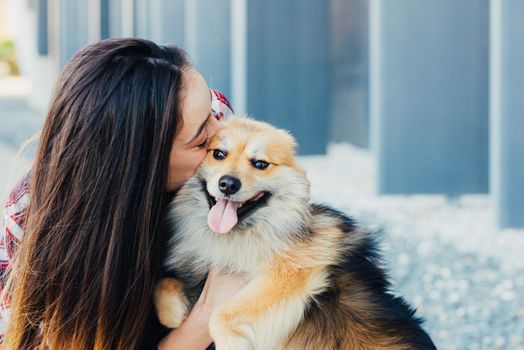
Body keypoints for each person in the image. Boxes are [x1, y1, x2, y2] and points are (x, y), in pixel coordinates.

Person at [0, 38, 245, 349]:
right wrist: (207, 315)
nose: (222, 134)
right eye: (200, 140)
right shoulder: (37, 225)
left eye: (212, 111)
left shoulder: (213, 121)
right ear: (144, 166)